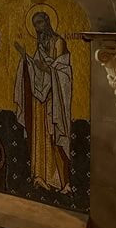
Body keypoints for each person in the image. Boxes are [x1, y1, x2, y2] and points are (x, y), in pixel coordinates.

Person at [13, 11, 74, 193]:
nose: (37, 28)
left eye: (39, 23)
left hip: (55, 101)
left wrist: (46, 68)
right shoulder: (40, 45)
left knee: (54, 135)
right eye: (35, 24)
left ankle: (61, 181)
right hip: (40, 100)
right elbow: (36, 70)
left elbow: (64, 71)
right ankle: (40, 175)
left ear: (47, 22)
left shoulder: (58, 43)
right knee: (40, 135)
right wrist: (26, 59)